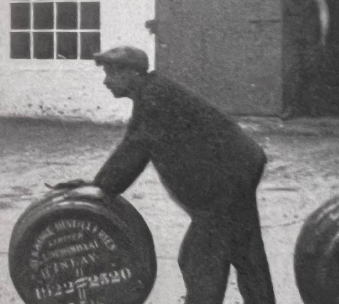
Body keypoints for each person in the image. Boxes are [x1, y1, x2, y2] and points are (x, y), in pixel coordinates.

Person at [53, 46, 275, 304]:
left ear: (131, 73)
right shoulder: (151, 92)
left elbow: (135, 149)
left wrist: (102, 187)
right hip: (237, 171)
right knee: (244, 251)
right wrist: (98, 183)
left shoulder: (155, 97)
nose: (105, 81)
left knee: (198, 258)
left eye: (111, 73)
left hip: (226, 183)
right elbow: (133, 143)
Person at [282, 0, 330, 119]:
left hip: (311, 36)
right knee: (291, 71)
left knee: (312, 71)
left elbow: (323, 10)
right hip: (291, 37)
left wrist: (324, 34)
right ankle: (290, 108)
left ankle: (314, 108)